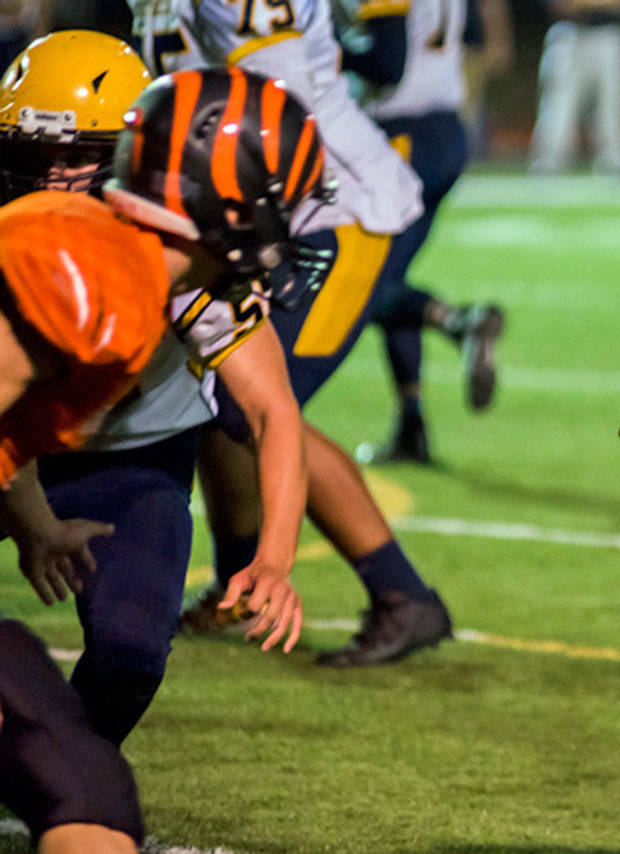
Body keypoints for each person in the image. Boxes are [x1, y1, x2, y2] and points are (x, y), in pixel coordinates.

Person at [0, 61, 325, 854]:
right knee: (88, 797)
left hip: (119, 467)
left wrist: (36, 523)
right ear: (230, 205)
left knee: (90, 786)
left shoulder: (130, 275)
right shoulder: (93, 282)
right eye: (280, 201)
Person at [129, 0, 456, 665]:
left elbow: (276, 108)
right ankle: (239, 586)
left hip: (324, 210)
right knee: (214, 393)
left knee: (255, 404)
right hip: (241, 205)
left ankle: (402, 594)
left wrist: (261, 240)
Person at [336, 0, 505, 465]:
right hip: (445, 128)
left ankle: (457, 322)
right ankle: (412, 425)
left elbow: (386, 64)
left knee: (365, 284)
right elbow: (473, 39)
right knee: (388, 278)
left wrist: (324, 48)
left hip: (401, 134)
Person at [527, 0, 620, 176]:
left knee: (614, 103)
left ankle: (615, 159)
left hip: (609, 32)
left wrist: (584, 4)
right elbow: (560, 5)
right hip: (568, 32)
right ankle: (551, 159)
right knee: (558, 103)